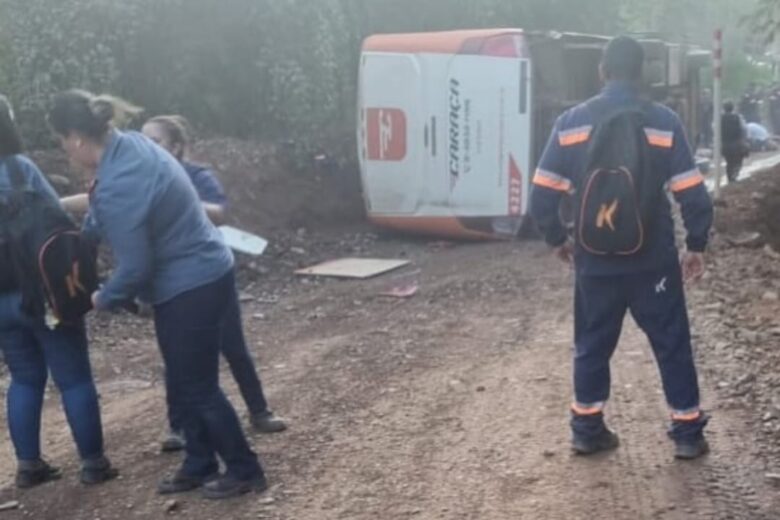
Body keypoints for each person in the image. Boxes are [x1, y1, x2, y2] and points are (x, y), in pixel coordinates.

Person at [47, 90, 267, 499]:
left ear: (75, 138)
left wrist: (102, 298)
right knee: (183, 377)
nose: (65, 151)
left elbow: (135, 267)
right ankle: (199, 462)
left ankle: (244, 468)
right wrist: (85, 238)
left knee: (198, 385)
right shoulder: (128, 145)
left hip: (190, 282)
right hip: (201, 271)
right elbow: (101, 209)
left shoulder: (121, 180)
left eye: (61, 143)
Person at [530, 36, 713, 460]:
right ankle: (687, 433)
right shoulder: (665, 122)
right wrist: (697, 243)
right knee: (671, 343)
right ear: (642, 73)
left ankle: (586, 428)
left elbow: (541, 194)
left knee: (592, 343)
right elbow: (691, 192)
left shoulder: (571, 122)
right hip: (654, 262)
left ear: (602, 71)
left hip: (594, 261)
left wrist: (558, 238)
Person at [140, 115, 286, 453]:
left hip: (208, 276)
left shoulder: (196, 176)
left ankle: (259, 411)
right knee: (176, 358)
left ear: (176, 146)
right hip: (170, 279)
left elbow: (219, 212)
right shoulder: (144, 180)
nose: (149, 148)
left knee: (232, 345)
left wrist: (180, 200)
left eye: (156, 141)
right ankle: (178, 427)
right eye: (143, 141)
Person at [0, 94, 117, 488]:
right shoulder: (20, 169)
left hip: (1, 302)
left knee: (24, 377)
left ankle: (29, 465)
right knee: (74, 378)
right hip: (46, 293)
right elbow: (58, 222)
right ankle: (93, 464)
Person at [721, 101, 749, 183]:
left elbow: (715, 130)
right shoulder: (738, 117)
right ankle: (734, 174)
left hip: (725, 143)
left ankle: (730, 178)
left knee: (729, 161)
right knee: (738, 160)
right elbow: (744, 129)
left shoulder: (720, 118)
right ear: (733, 108)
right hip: (737, 142)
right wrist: (745, 141)